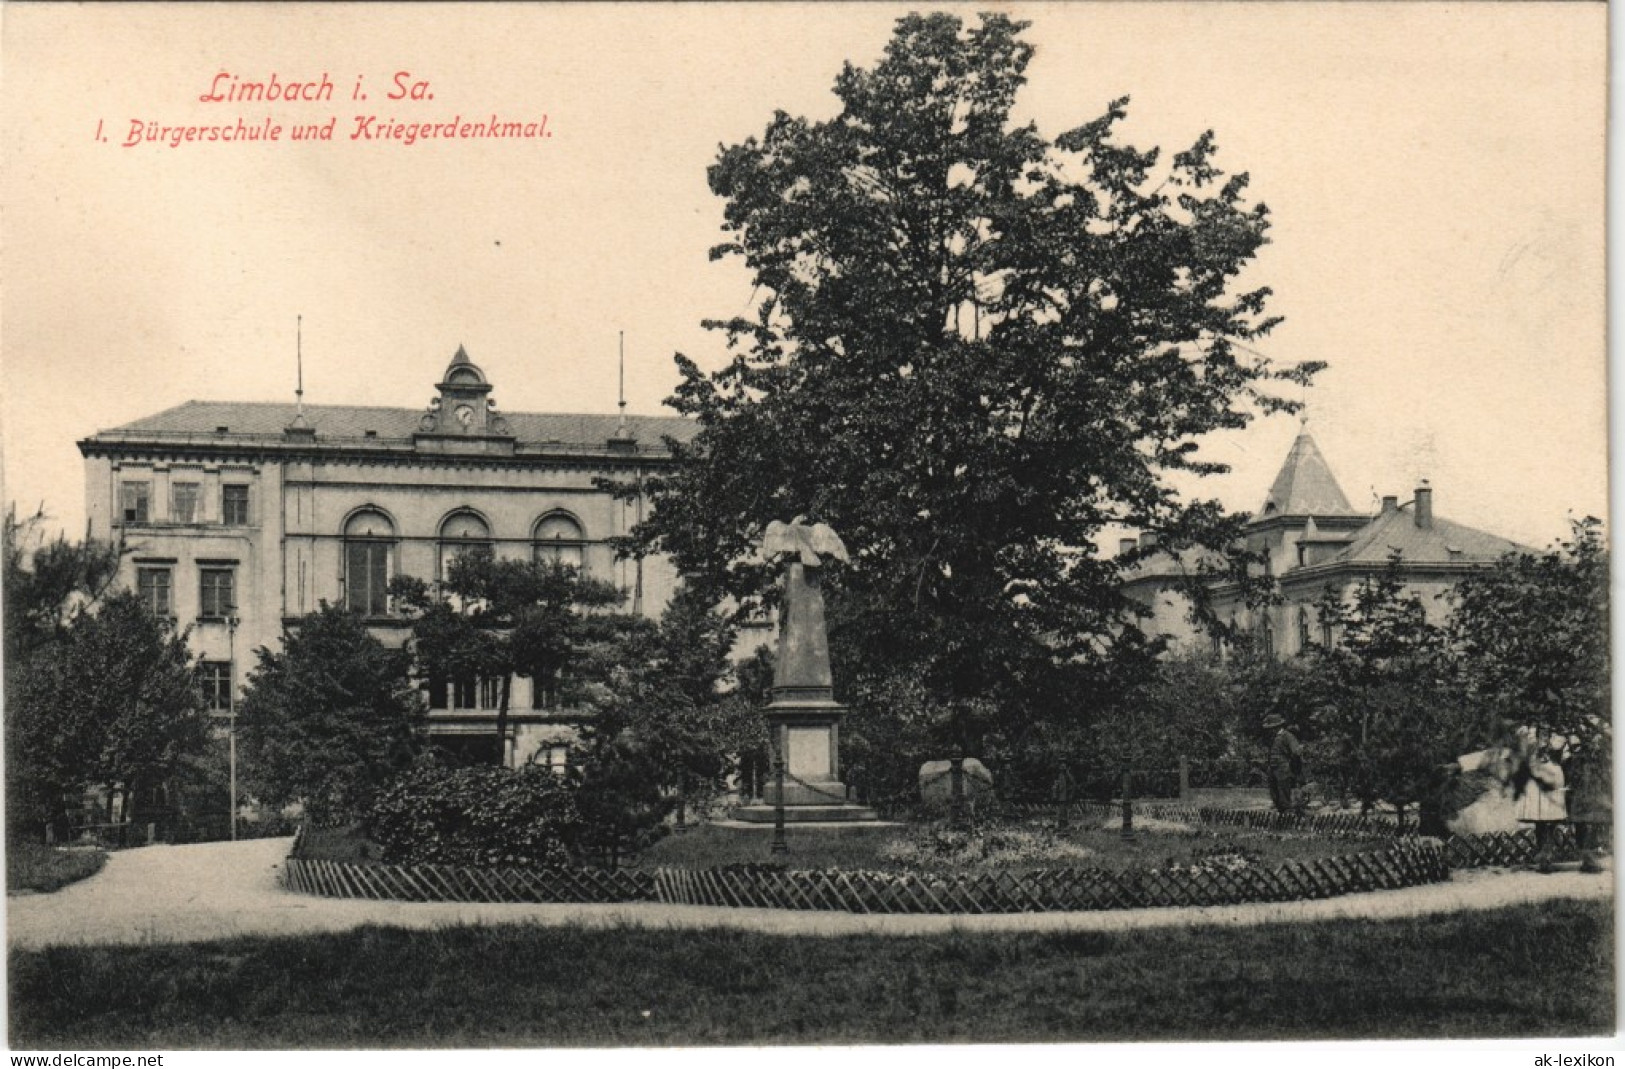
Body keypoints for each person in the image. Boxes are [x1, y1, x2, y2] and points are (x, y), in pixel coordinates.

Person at [1263, 713, 1304, 816]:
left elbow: (1296, 751)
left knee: (1283, 793)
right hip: (1272, 768)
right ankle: (1281, 813)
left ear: (1277, 726)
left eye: (1272, 727)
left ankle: (1288, 815)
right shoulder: (1273, 737)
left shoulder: (1287, 736)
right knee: (1274, 793)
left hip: (1283, 768)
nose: (1270, 730)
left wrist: (1292, 764)